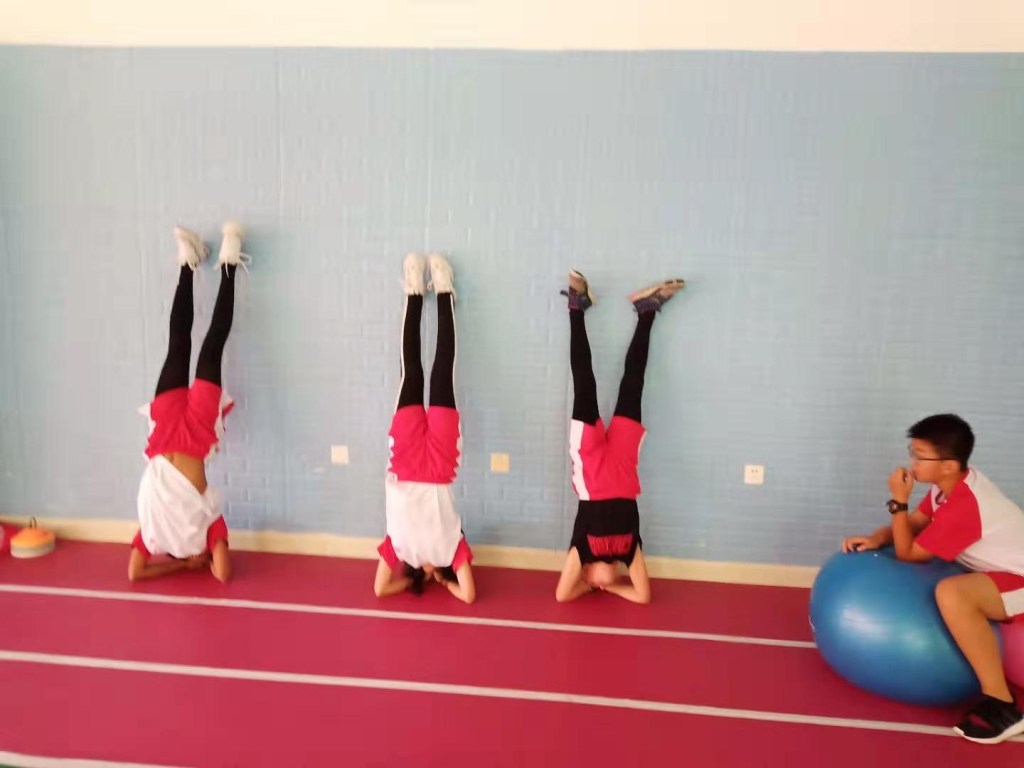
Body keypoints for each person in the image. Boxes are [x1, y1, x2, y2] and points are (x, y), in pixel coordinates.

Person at [842, 413, 1024, 744]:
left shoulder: (966, 504)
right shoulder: (947, 487)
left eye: (920, 456)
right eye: (912, 452)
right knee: (951, 587)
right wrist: (876, 538)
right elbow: (914, 524)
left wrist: (898, 500)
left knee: (952, 594)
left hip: (1020, 579)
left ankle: (1003, 706)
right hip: (1004, 573)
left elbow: (908, 553)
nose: (912, 463)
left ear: (948, 466)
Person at [128, 222, 249, 583]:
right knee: (209, 347)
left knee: (179, 345)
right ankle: (227, 264)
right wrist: (199, 559)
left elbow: (135, 574)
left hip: (166, 432)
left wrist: (184, 564)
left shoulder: (154, 535)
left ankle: (190, 263)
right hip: (195, 433)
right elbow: (223, 575)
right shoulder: (204, 531)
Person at [554, 269, 684, 604]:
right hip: (624, 464)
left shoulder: (582, 552)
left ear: (586, 574)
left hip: (591, 464)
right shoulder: (628, 552)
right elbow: (643, 596)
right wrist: (610, 587)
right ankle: (647, 311)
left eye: (596, 583)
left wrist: (592, 586)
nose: (603, 582)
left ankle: (577, 306)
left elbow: (562, 595)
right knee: (633, 384)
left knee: (584, 383)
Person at [373, 252, 475, 604]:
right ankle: (443, 291)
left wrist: (418, 582)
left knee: (412, 372)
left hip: (406, 460)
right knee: (440, 372)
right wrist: (443, 580)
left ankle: (414, 290)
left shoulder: (400, 551)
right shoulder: (450, 553)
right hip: (439, 465)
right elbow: (469, 595)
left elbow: (380, 589)